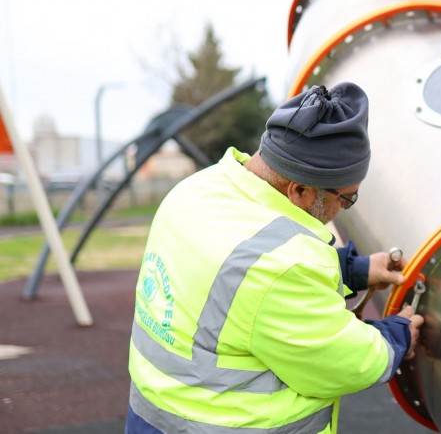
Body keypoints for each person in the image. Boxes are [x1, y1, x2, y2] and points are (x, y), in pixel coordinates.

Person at [125, 82, 423, 434]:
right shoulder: (282, 268)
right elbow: (341, 360)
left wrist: (352, 269)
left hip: (153, 415)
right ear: (299, 190)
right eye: (346, 199)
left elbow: (229, 278)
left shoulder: (194, 192)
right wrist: (397, 336)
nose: (341, 210)